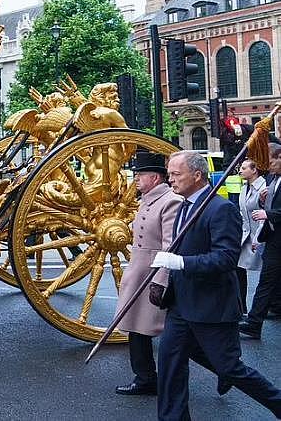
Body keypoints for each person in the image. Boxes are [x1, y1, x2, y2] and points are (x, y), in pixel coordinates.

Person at [151, 150, 281, 420]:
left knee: (230, 368)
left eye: (176, 174)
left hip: (211, 306)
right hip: (180, 305)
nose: (170, 180)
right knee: (169, 365)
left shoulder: (221, 209)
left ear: (197, 175)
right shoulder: (184, 204)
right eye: (169, 174)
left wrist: (180, 263)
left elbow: (225, 258)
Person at [114, 152, 181, 396]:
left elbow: (169, 245)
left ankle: (225, 369)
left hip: (152, 274)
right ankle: (145, 377)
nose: (136, 179)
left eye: (140, 175)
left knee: (176, 334)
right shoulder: (147, 199)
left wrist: (160, 281)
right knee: (136, 327)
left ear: (154, 177)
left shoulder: (169, 201)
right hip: (138, 271)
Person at [240, 143, 281, 339]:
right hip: (274, 238)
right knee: (268, 280)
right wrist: (266, 199)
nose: (268, 166)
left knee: (267, 281)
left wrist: (268, 213)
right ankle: (255, 322)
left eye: (271, 161)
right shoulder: (273, 178)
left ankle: (255, 322)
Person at [236, 159, 266, 316]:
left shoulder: (264, 188)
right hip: (246, 236)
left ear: (254, 170)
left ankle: (265, 308)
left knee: (266, 274)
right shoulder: (244, 187)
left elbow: (264, 215)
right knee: (238, 268)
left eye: (244, 167)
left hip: (261, 235)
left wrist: (259, 237)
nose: (240, 170)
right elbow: (243, 213)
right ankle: (241, 309)